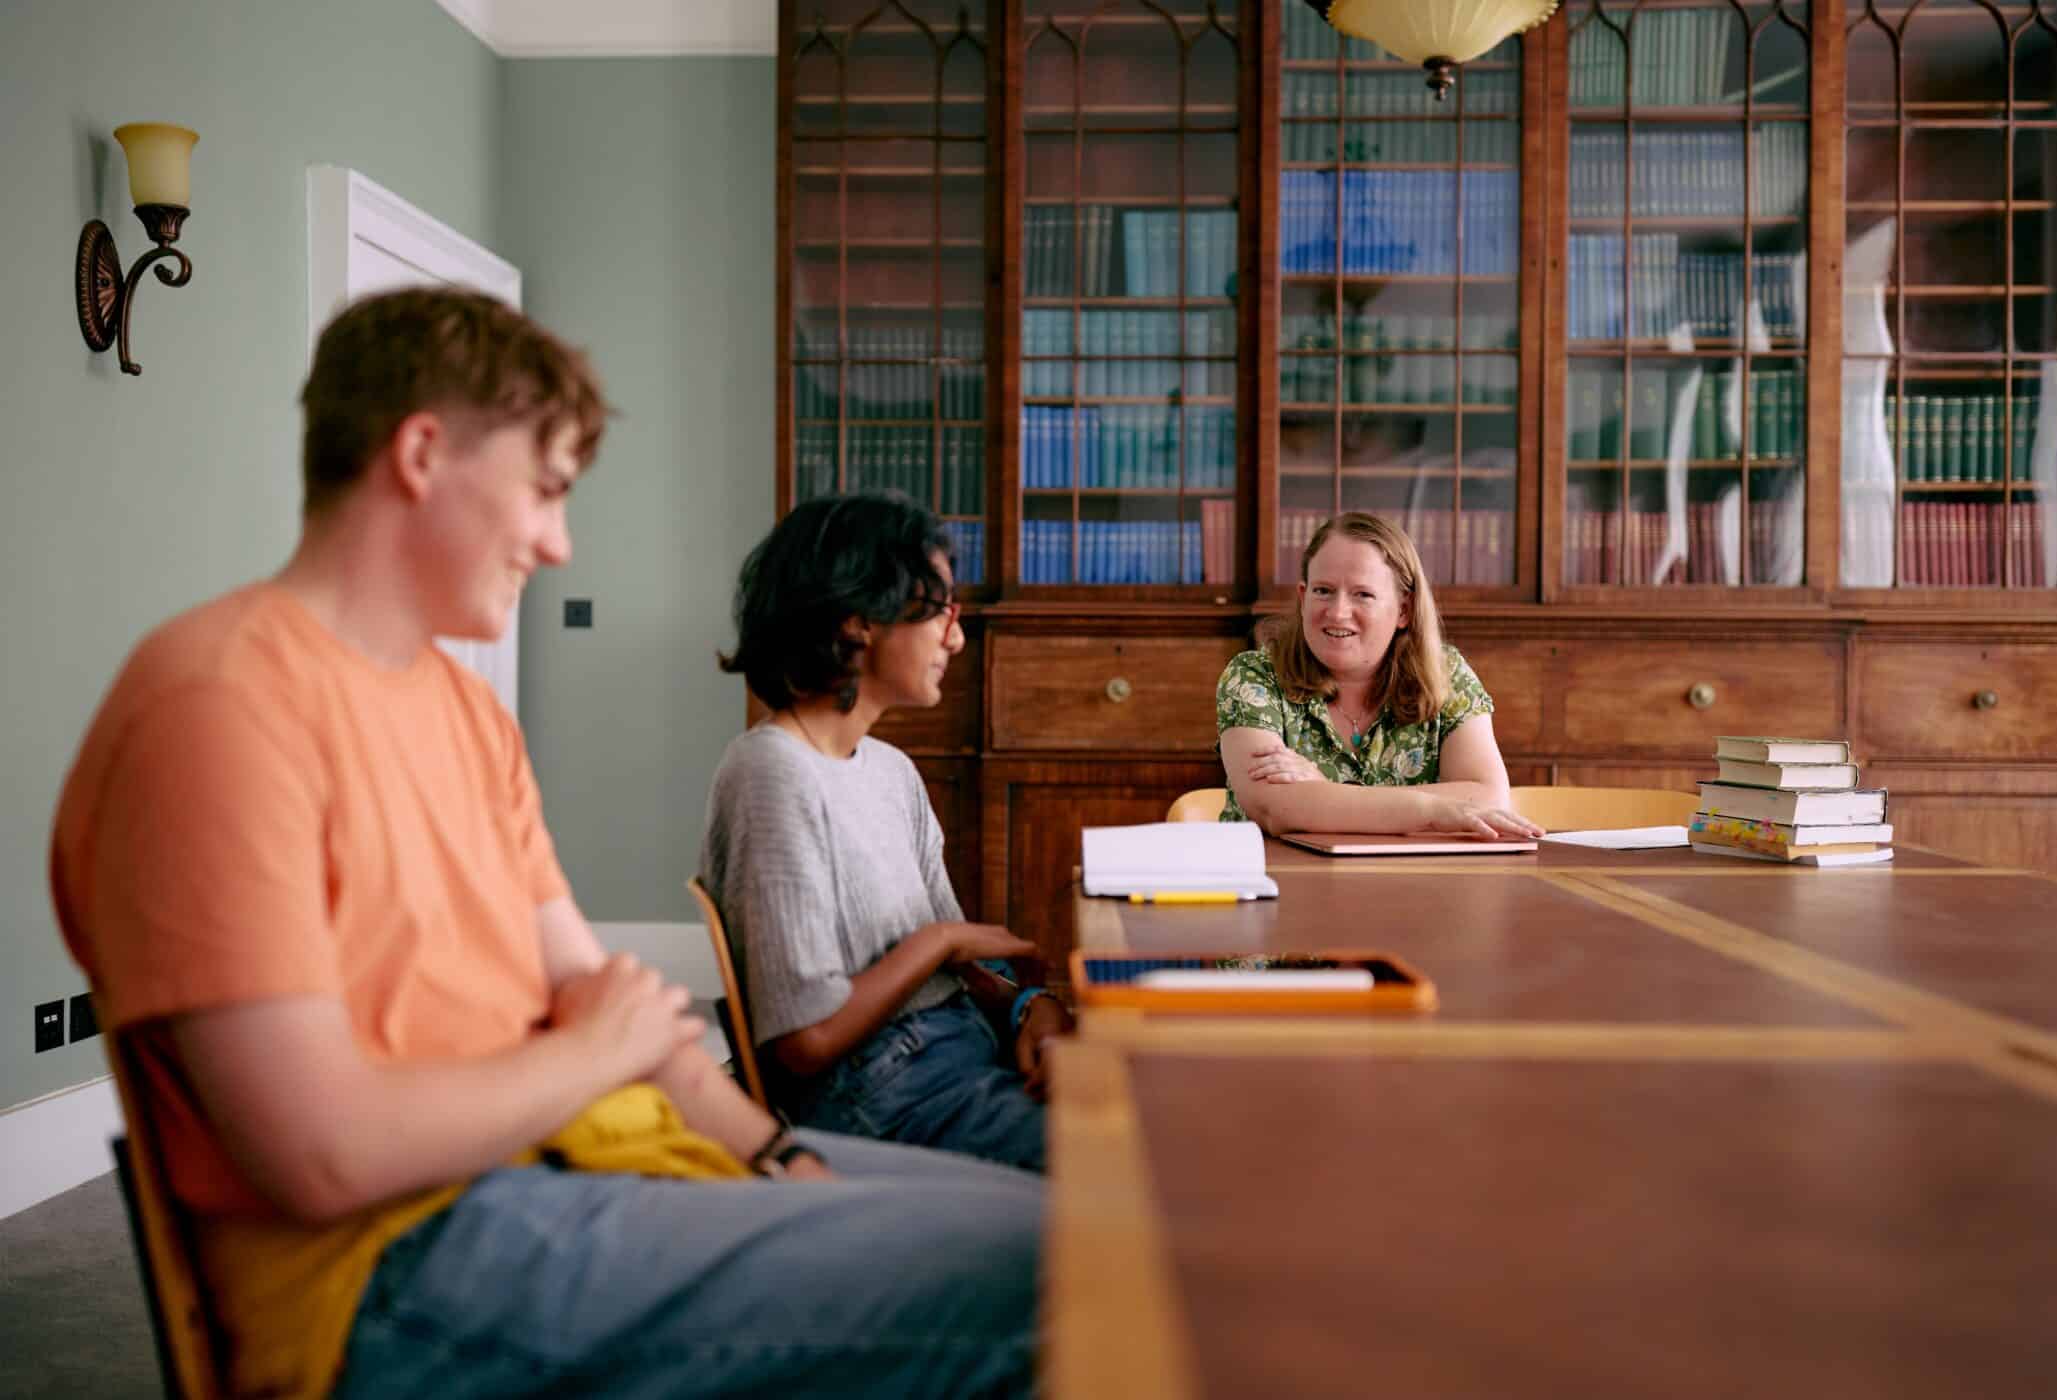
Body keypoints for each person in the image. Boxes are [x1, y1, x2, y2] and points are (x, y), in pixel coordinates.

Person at [49, 289, 1040, 1399]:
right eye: (547, 489)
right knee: (1054, 1286)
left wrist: (777, 1159)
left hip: (591, 1154)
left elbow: (601, 989)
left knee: (1074, 1229)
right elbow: (324, 1150)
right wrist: (591, 1052)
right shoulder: (213, 707)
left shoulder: (464, 714)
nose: (559, 541)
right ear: (422, 454)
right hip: (398, 1262)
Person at [705, 492, 1072, 1173]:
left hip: (954, 1053)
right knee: (1138, 1160)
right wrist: (941, 940)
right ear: (859, 621)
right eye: (942, 612)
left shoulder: (891, 770)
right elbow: (806, 1040)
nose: (956, 638)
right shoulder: (771, 771)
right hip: (879, 1094)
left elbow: (963, 973)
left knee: (1162, 1103)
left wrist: (1031, 1008)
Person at [1215, 510, 1542, 839]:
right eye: (1323, 591)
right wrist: (1429, 811)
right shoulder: (1254, 677)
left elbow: (1489, 798)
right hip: (1279, 883)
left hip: (1412, 885)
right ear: (1303, 598)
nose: (1338, 612)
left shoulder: (1448, 675)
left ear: (1404, 610)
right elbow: (1275, 808)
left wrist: (1324, 791)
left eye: (1363, 594)